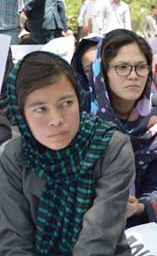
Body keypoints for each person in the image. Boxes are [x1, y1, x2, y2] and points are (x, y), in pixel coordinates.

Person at [0, 51, 135, 255]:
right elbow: (14, 242)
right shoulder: (13, 157)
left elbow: (98, 239)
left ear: (79, 100)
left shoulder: (111, 148)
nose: (56, 119)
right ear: (20, 114)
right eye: (40, 109)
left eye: (66, 103)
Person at [88, 29, 157, 227]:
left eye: (141, 67)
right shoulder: (81, 116)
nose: (133, 76)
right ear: (103, 71)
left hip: (141, 227)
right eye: (122, 67)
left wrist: (138, 207)